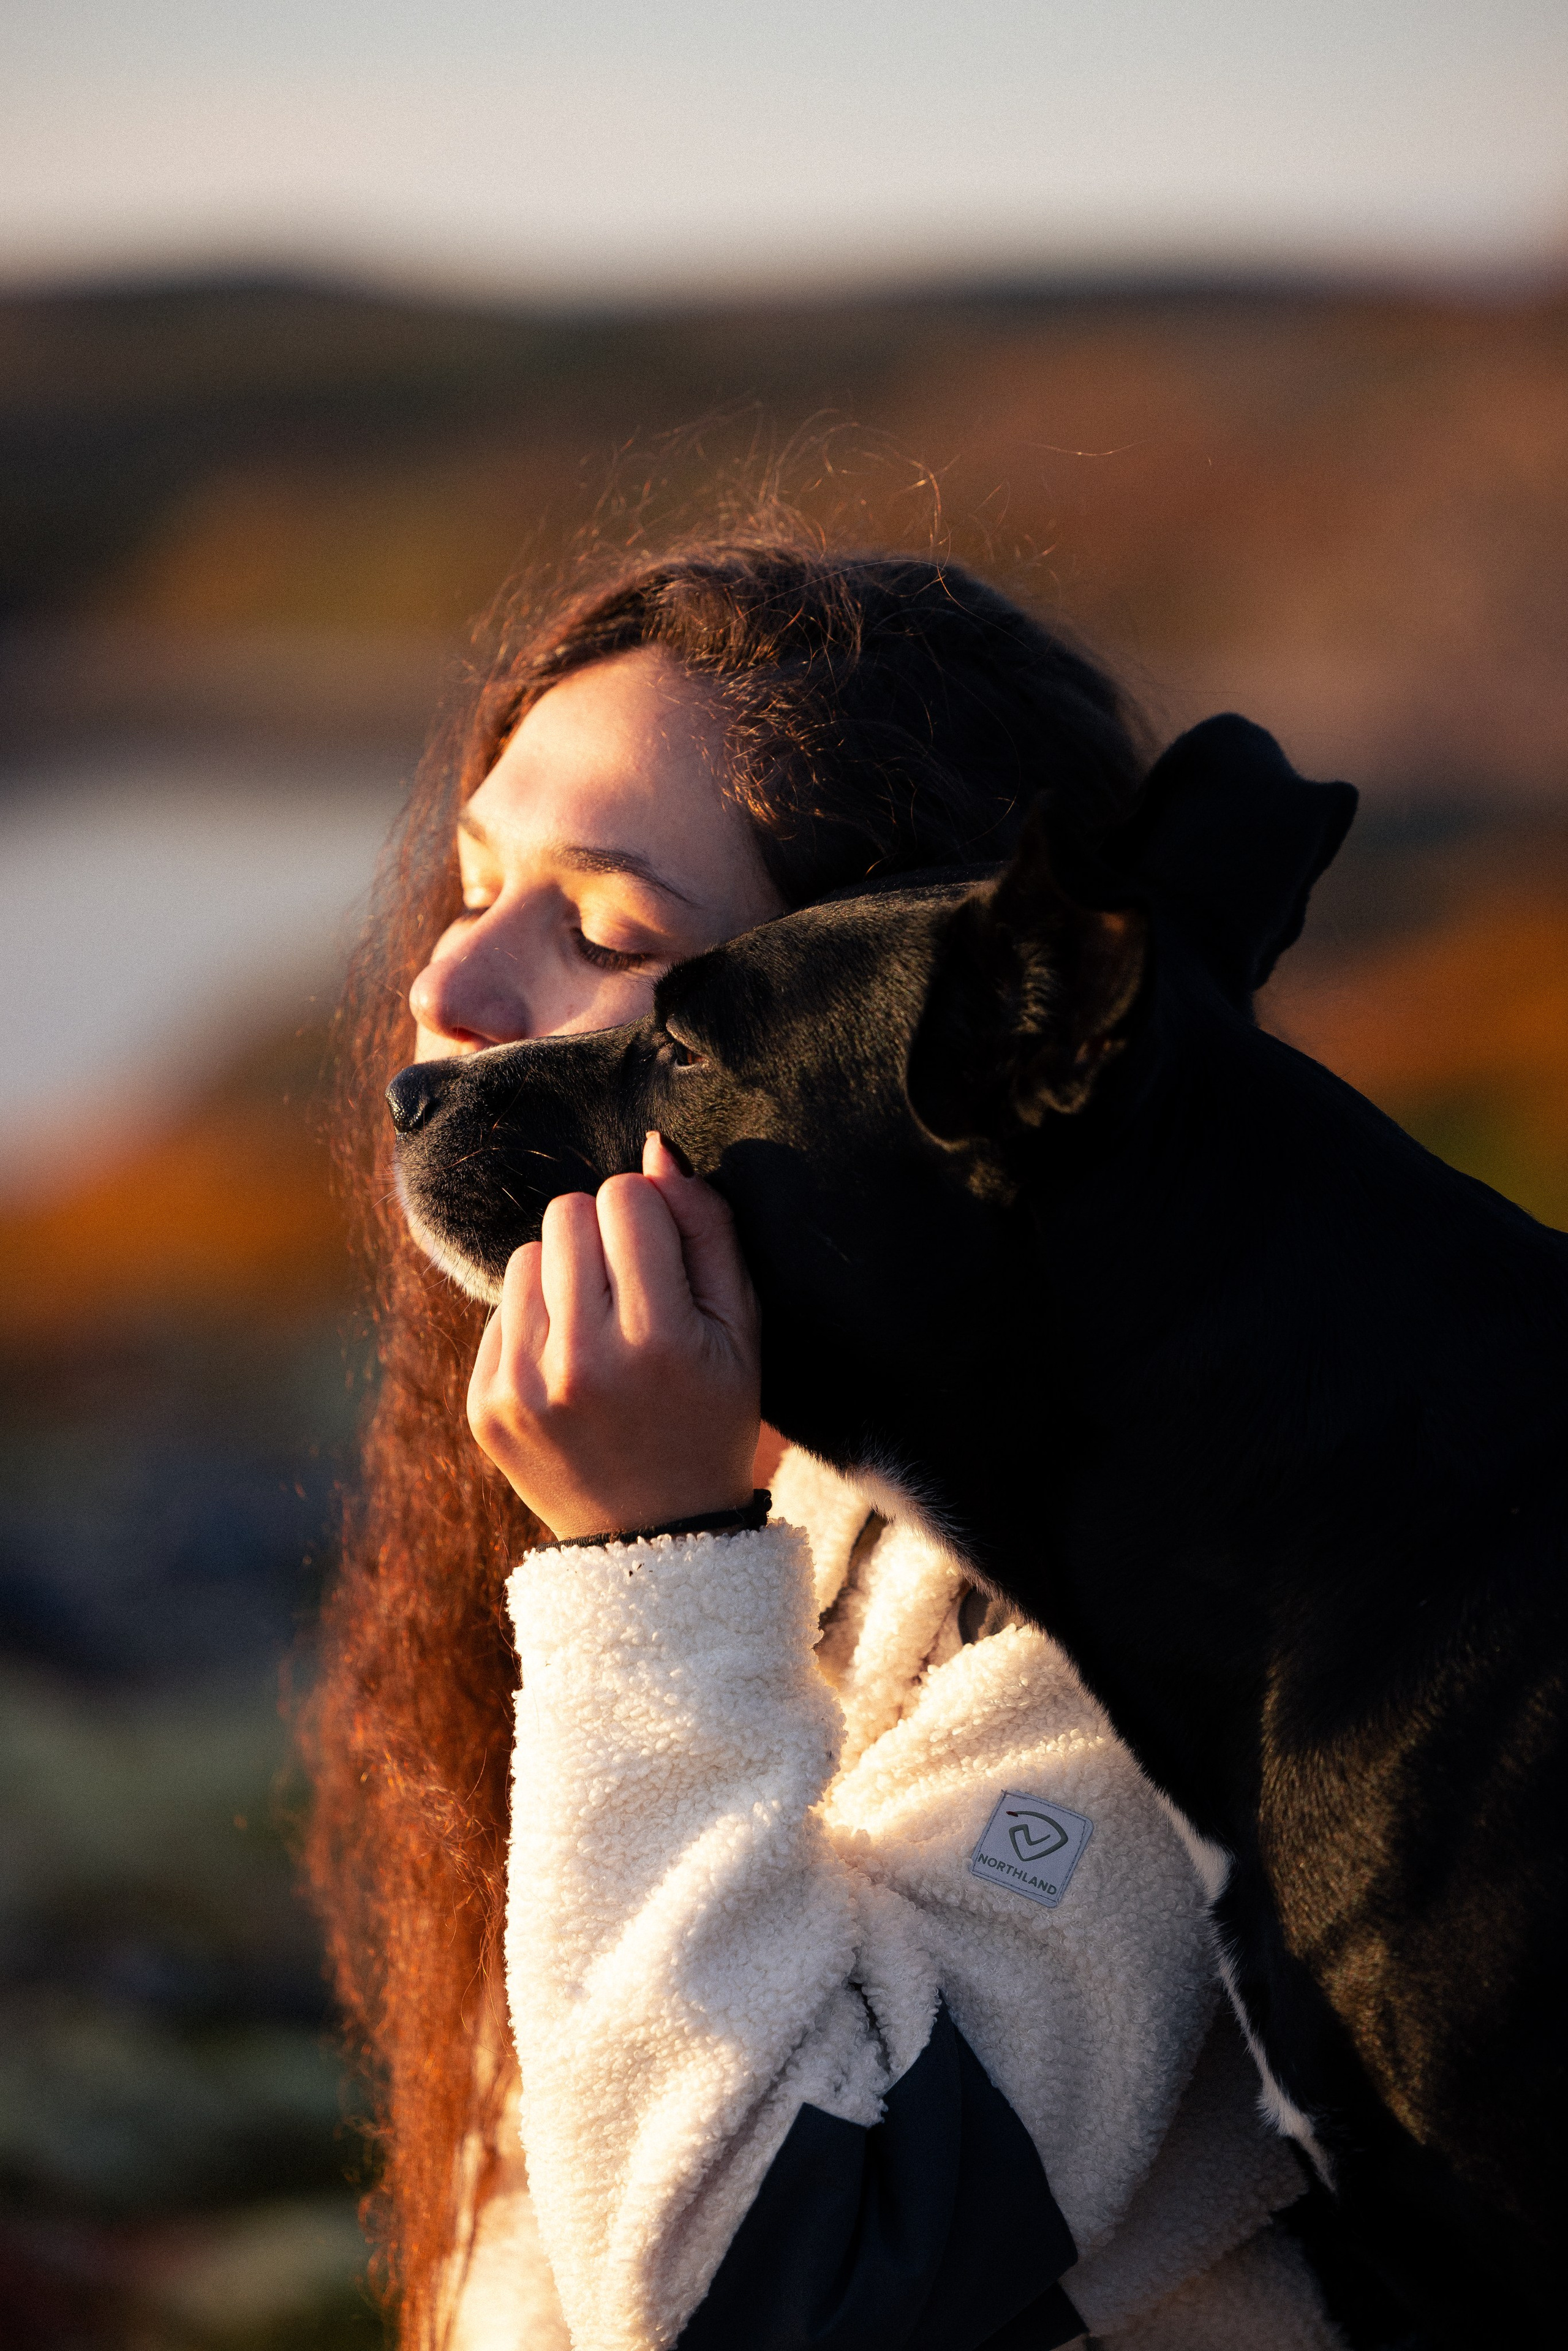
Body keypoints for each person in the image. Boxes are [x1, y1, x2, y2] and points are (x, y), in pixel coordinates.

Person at [304, 542, 1347, 2350]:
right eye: (474, 886)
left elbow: (762, 2292)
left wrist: (650, 1569)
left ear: (882, 1019)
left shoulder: (1156, 1577)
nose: (449, 988)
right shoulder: (784, 1447)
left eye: (608, 930)